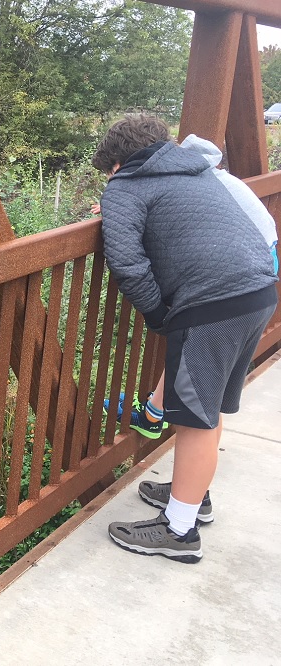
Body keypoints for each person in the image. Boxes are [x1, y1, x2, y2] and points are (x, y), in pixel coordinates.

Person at [91, 115, 278, 563]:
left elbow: (128, 263)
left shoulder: (125, 186)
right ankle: (191, 497)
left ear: (117, 162)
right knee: (206, 408)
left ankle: (179, 532)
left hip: (211, 305)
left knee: (196, 419)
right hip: (258, 294)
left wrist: (160, 316)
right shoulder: (196, 169)